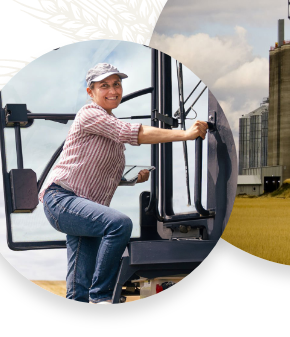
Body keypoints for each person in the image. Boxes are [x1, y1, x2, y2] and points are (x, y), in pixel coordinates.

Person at [39, 63, 207, 304]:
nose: (113, 90)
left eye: (116, 84)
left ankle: (90, 297)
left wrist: (128, 179)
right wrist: (185, 135)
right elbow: (133, 133)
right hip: (62, 200)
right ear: (91, 92)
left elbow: (94, 170)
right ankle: (102, 297)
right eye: (104, 85)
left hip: (81, 206)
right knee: (118, 224)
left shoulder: (108, 126)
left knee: (78, 289)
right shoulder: (90, 114)